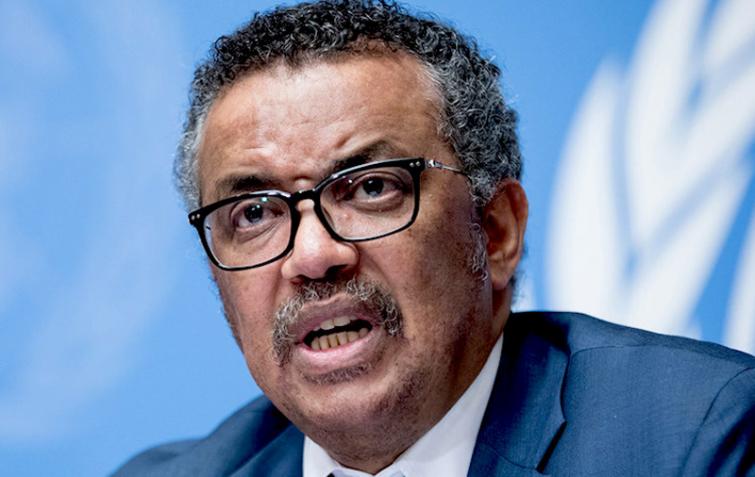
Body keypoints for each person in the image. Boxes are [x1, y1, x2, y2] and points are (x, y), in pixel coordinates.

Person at [114, 1, 755, 475]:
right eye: (254, 213)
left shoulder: (697, 437)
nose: (312, 256)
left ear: (496, 230)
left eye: (371, 188)